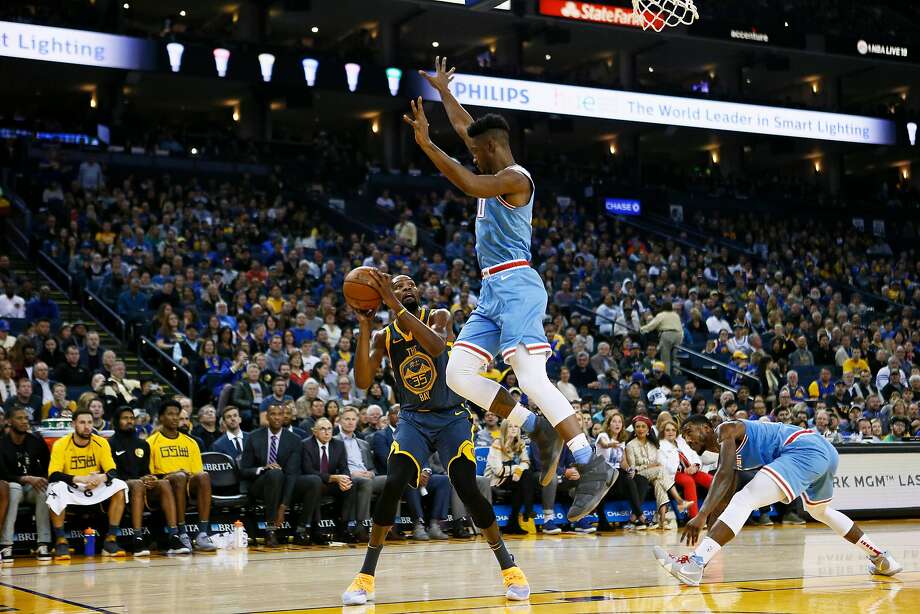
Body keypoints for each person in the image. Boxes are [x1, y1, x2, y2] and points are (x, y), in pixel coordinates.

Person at [406, 57, 614, 526]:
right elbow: (467, 131)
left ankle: (590, 460)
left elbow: (467, 178)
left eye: (478, 151)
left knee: (530, 375)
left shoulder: (515, 179)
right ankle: (537, 429)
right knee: (457, 374)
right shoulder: (490, 155)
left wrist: (426, 144)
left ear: (495, 149)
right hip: (491, 292)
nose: (472, 153)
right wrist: (444, 95)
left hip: (518, 283)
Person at [342, 269, 529, 606]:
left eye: (410, 285)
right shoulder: (385, 336)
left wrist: (393, 302)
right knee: (396, 479)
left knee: (466, 486)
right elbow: (363, 381)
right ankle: (365, 578)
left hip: (451, 415)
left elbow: (436, 344)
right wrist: (365, 323)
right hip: (413, 418)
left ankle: (509, 567)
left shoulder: (438, 316)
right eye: (398, 286)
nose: (407, 288)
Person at [654, 415, 902, 586]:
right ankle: (882, 558)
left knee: (745, 499)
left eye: (688, 432)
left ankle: (694, 564)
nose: (686, 440)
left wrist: (700, 515)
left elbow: (724, 476)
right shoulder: (727, 452)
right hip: (825, 451)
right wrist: (710, 531)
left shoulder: (725, 429)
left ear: (706, 428)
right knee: (820, 511)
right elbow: (725, 494)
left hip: (803, 448)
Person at [46, 408, 127, 559]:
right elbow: (53, 474)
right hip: (72, 485)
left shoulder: (101, 442)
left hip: (94, 485)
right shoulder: (61, 444)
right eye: (82, 422)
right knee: (55, 488)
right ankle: (61, 541)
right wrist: (79, 478)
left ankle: (110, 539)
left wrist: (101, 478)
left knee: (119, 486)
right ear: (73, 424)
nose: (87, 426)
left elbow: (113, 471)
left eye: (89, 422)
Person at [109, 406, 187, 556]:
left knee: (163, 483)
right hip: (120, 487)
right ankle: (137, 537)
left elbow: (145, 471)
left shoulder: (143, 444)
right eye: (125, 418)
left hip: (141, 484)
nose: (129, 421)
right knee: (137, 484)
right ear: (116, 422)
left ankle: (174, 535)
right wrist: (139, 480)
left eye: (131, 418)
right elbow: (112, 473)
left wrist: (150, 478)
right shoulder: (109, 444)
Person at [145, 400, 217, 552]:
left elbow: (197, 471)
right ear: (161, 418)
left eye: (177, 414)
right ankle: (182, 532)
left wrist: (185, 474)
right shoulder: (151, 442)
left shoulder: (191, 442)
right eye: (170, 414)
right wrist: (174, 474)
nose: (175, 418)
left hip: (187, 482)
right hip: (163, 485)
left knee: (204, 476)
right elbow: (151, 476)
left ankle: (202, 533)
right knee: (179, 477)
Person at [240, 404, 304, 547]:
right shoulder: (253, 437)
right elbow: (244, 470)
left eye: (280, 414)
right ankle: (270, 530)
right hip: (259, 485)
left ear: (284, 417)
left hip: (284, 484)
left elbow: (292, 473)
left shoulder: (294, 439)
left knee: (309, 481)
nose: (276, 417)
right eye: (273, 414)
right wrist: (263, 468)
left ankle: (304, 530)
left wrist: (282, 507)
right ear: (267, 417)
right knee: (274, 473)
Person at [0, 406, 51, 561]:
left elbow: (48, 466)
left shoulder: (36, 441)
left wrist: (41, 479)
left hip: (31, 489)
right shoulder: (2, 443)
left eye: (26, 418)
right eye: (19, 418)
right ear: (9, 421)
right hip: (11, 488)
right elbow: (2, 474)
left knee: (44, 489)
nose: (24, 421)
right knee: (14, 488)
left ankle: (44, 542)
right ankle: (6, 544)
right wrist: (26, 478)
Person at [485, 421, 533, 535]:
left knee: (525, 477)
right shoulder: (497, 443)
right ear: (504, 429)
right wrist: (517, 469)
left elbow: (526, 462)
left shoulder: (519, 443)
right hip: (495, 480)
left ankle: (514, 522)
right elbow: (498, 471)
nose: (513, 429)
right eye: (510, 426)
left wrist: (519, 470)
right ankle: (527, 511)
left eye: (516, 426)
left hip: (513, 478)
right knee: (525, 477)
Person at [640, 303, 684, 376]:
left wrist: (642, 329)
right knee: (675, 356)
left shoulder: (661, 314)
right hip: (679, 335)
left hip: (667, 334)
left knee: (665, 357)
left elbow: (652, 325)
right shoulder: (676, 315)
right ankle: (677, 371)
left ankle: (666, 375)